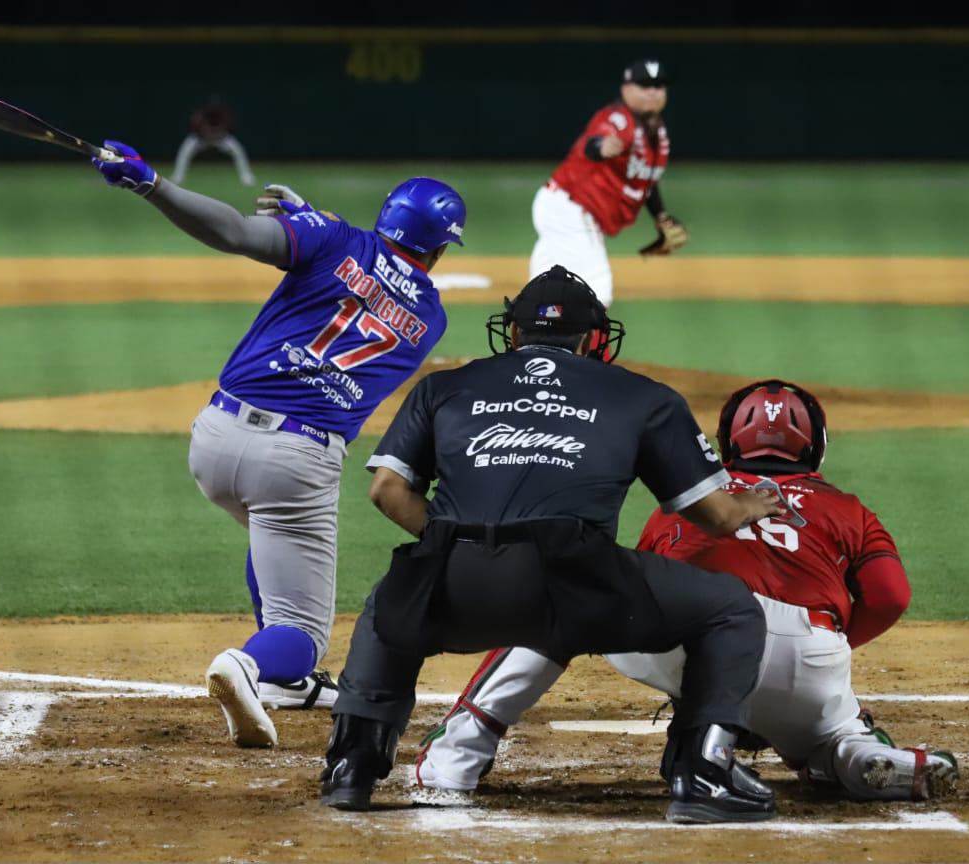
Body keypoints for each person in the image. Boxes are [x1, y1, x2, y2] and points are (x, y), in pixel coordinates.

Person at [320, 265, 790, 823]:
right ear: (594, 340)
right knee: (729, 609)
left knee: (388, 609)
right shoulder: (645, 397)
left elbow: (387, 490)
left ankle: (352, 766)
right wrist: (753, 502)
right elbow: (713, 516)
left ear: (513, 333)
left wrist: (458, 543)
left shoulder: (443, 386)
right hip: (580, 593)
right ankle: (703, 774)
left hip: (458, 585)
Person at [415, 380, 960, 803]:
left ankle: (457, 754)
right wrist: (827, 648)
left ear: (727, 441)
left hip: (698, 644)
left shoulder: (694, 502)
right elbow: (890, 596)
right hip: (809, 657)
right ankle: (855, 751)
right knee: (830, 724)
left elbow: (642, 594)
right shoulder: (848, 508)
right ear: (815, 446)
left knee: (565, 599)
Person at [90, 139, 466, 748]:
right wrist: (320, 225)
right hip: (296, 461)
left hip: (214, 439)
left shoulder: (334, 238)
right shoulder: (430, 317)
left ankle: (289, 686)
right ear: (441, 246)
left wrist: (150, 183)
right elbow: (370, 283)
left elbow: (239, 233)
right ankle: (252, 665)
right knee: (302, 631)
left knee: (270, 532)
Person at [530, 59, 688, 310]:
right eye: (644, 85)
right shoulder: (619, 119)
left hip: (559, 207)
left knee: (542, 292)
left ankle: (532, 344)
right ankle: (586, 350)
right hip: (572, 210)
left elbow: (646, 180)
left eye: (658, 86)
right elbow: (595, 142)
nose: (652, 92)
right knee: (597, 291)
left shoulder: (657, 132)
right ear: (626, 89)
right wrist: (602, 147)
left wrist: (660, 215)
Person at [170, 96, 257, 187]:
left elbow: (231, 129)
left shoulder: (225, 114)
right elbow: (194, 128)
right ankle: (178, 177)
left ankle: (246, 177)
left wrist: (216, 133)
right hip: (201, 140)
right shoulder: (200, 115)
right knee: (186, 149)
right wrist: (207, 133)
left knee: (237, 150)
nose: (214, 109)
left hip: (221, 139)